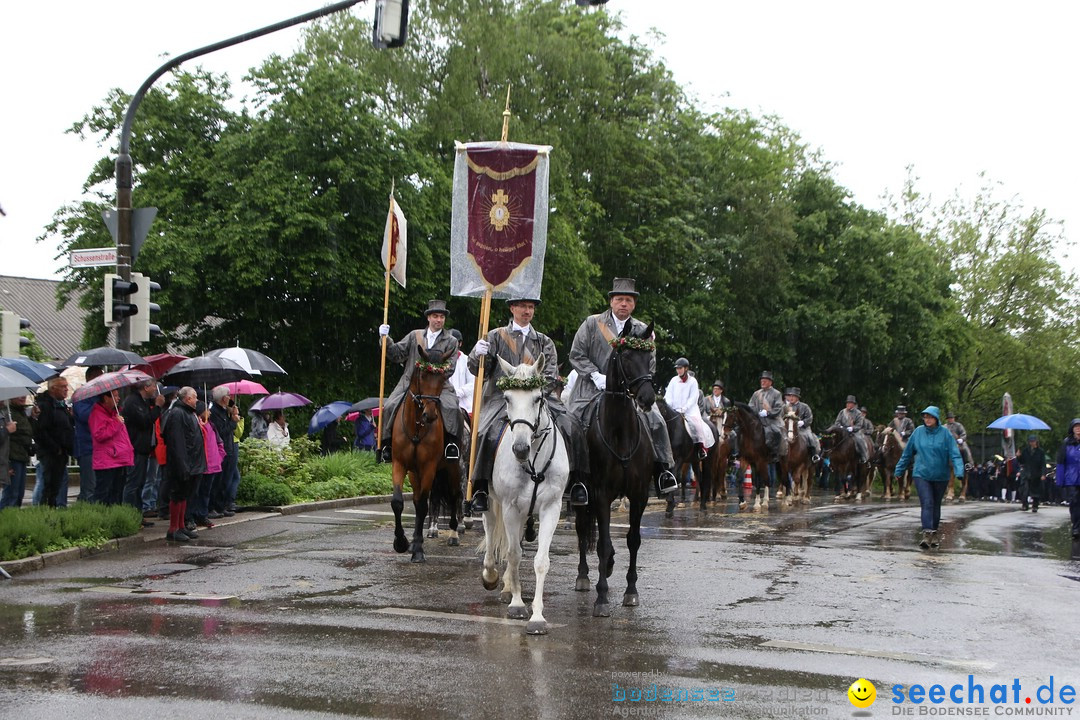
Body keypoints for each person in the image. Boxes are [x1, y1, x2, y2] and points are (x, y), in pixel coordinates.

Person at [467, 296, 589, 511]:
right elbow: (478, 370)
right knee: (483, 432)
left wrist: (535, 392)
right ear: (512, 308)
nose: (527, 311)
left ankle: (578, 481)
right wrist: (477, 354)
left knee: (572, 425)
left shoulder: (544, 341)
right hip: (501, 398)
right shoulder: (495, 336)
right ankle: (480, 487)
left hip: (539, 398)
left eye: (531, 307)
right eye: (523, 306)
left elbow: (551, 374)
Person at [566, 277, 677, 495]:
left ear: (634, 304)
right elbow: (576, 354)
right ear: (611, 302)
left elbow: (650, 363)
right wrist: (595, 375)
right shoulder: (592, 323)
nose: (623, 303)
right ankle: (574, 476)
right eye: (619, 299)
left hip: (629, 392)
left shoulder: (642, 329)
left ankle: (663, 470)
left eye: (628, 300)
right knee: (571, 424)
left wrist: (634, 385)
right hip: (590, 389)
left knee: (657, 421)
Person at [377, 299, 462, 461]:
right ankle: (387, 445)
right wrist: (385, 338)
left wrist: (434, 373)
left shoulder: (451, 341)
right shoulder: (414, 336)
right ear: (428, 318)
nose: (439, 320)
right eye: (435, 316)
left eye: (442, 317)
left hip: (439, 385)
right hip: (410, 382)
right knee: (389, 406)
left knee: (453, 408)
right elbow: (396, 354)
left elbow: (450, 367)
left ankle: (452, 444)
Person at [893, 406, 964, 549]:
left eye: (930, 417)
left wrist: (959, 471)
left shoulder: (946, 434)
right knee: (927, 502)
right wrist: (899, 469)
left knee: (936, 504)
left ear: (936, 418)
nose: (927, 420)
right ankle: (926, 533)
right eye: (925, 417)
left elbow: (955, 454)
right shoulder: (918, 432)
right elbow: (907, 453)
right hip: (921, 474)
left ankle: (934, 533)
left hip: (940, 475)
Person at [162, 387, 206, 542]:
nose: (197, 400)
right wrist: (183, 465)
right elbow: (176, 442)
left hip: (192, 462)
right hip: (182, 463)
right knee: (177, 494)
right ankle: (173, 528)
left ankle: (181, 526)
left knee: (184, 495)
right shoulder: (177, 414)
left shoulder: (188, 413)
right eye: (194, 397)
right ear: (187, 399)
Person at [121, 379, 164, 518]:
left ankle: (138, 514)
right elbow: (145, 421)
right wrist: (157, 407)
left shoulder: (143, 401)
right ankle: (129, 514)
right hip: (136, 447)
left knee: (140, 483)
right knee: (133, 484)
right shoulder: (133, 401)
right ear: (146, 388)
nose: (155, 390)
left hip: (144, 447)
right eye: (153, 387)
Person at [89, 390, 135, 506]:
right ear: (106, 398)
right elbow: (100, 435)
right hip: (107, 461)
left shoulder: (114, 413)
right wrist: (116, 423)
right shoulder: (97, 414)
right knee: (104, 495)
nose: (118, 398)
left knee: (117, 494)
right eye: (115, 396)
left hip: (118, 459)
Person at [34, 377, 73, 508]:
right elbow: (41, 431)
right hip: (50, 453)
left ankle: (51, 509)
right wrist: (55, 448)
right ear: (53, 389)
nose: (66, 389)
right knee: (48, 485)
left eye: (66, 386)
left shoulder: (61, 405)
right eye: (62, 386)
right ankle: (43, 511)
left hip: (61, 452)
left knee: (56, 486)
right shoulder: (45, 406)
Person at [664, 358, 714, 459]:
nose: (678, 370)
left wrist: (684, 409)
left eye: (680, 368)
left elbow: (693, 398)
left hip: (689, 411)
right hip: (674, 410)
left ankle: (702, 448)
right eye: (677, 368)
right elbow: (668, 396)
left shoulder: (693, 381)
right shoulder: (674, 380)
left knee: (698, 426)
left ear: (686, 368)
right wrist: (670, 407)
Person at [208, 386, 240, 518]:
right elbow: (221, 431)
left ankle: (221, 506)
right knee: (219, 481)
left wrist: (232, 414)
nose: (230, 398)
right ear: (223, 398)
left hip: (229, 447)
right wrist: (233, 422)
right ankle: (214, 506)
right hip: (222, 450)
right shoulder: (214, 412)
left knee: (226, 479)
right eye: (228, 396)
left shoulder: (224, 410)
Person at [73, 366, 104, 503]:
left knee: (98, 484)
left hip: (100, 445)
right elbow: (85, 415)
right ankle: (87, 509)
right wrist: (99, 406)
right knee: (89, 485)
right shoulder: (81, 395)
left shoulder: (100, 395)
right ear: (90, 378)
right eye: (99, 376)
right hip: (87, 445)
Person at [193, 401, 225, 528]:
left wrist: (219, 456)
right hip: (202, 464)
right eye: (207, 410)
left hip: (212, 463)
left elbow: (219, 442)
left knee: (206, 491)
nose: (209, 412)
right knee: (198, 491)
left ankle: (202, 514)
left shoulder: (211, 425)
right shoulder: (198, 425)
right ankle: (196, 514)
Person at [0, 395, 33, 508]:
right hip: (11, 457)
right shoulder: (6, 413)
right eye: (18, 395)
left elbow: (27, 431)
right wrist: (7, 430)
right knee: (11, 494)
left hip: (21, 455)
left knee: (18, 493)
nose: (22, 397)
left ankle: (13, 518)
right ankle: (6, 519)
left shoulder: (19, 412)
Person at [750, 371, 786, 463]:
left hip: (772, 420)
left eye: (765, 381)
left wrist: (768, 413)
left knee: (777, 432)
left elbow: (778, 408)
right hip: (758, 419)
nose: (763, 382)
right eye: (762, 380)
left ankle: (774, 453)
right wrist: (758, 413)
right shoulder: (756, 394)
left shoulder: (777, 394)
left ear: (770, 382)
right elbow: (750, 406)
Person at [1054, 419, 1080, 539]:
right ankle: (1076, 527)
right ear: (1072, 429)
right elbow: (1060, 462)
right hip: (1071, 477)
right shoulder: (1066, 443)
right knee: (1074, 503)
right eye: (1076, 427)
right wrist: (1059, 480)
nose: (1078, 429)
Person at [782, 387, 821, 462]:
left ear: (797, 397)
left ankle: (814, 455)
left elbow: (810, 418)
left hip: (803, 428)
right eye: (790, 396)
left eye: (793, 396)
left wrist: (803, 422)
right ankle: (777, 455)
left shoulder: (804, 406)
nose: (791, 398)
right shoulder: (785, 407)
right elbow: (781, 417)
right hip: (788, 428)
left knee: (810, 437)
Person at [447, 328, 474, 419]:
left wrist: (458, 393)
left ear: (460, 343)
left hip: (464, 405)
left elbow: (472, 384)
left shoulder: (467, 360)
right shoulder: (441, 361)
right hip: (445, 401)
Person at [834, 395, 868, 464]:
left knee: (860, 440)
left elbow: (859, 425)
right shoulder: (842, 412)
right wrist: (840, 427)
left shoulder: (858, 413)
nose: (848, 404)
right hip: (842, 431)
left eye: (850, 403)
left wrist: (852, 428)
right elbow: (837, 422)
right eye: (847, 403)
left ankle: (864, 457)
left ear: (853, 404)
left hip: (854, 432)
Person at [1017, 434, 1047, 512]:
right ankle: (1024, 505)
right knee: (1024, 490)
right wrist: (1019, 456)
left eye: (1033, 441)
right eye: (1030, 441)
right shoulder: (1025, 451)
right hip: (1026, 473)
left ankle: (1035, 506)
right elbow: (1022, 461)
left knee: (1035, 492)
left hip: (1036, 474)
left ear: (1036, 442)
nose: (1032, 443)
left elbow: (1043, 464)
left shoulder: (1040, 452)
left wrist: (1043, 474)